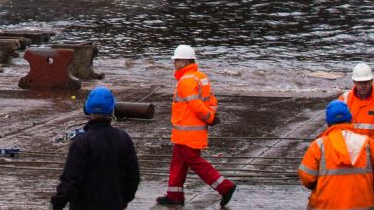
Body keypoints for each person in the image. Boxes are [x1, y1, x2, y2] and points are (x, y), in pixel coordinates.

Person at [157, 45, 236, 207]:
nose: (174, 63)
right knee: (178, 162)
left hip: (187, 132)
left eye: (176, 61)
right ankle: (174, 195)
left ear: (184, 62)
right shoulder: (201, 77)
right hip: (188, 132)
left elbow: (196, 106)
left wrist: (209, 117)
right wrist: (212, 115)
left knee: (195, 162)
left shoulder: (186, 81)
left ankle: (224, 186)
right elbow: (212, 100)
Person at [52, 86, 140, 210]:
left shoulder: (82, 141)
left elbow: (71, 180)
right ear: (111, 110)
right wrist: (125, 199)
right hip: (114, 204)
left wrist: (56, 204)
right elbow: (133, 177)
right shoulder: (124, 138)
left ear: (88, 109)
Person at [299, 99, 374, 210]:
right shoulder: (366, 142)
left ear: (328, 123)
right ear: (350, 120)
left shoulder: (318, 145)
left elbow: (307, 179)